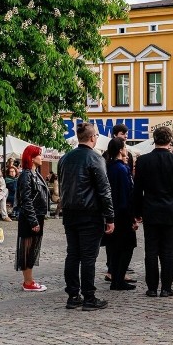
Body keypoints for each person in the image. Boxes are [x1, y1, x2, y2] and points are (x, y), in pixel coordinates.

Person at [59, 122, 114, 311]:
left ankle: (73, 295)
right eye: (97, 136)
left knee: (73, 255)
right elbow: (104, 190)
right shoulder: (95, 158)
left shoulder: (65, 158)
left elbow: (63, 184)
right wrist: (110, 217)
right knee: (88, 257)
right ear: (92, 138)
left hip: (70, 212)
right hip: (90, 214)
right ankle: (89, 296)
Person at [132, 126, 173, 297]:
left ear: (154, 140)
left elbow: (137, 189)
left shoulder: (143, 161)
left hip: (150, 210)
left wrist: (137, 211)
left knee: (151, 251)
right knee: (169, 251)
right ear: (170, 140)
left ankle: (152, 287)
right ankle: (166, 287)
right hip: (171, 211)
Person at [103, 138, 137, 291]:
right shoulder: (121, 169)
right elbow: (127, 195)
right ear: (120, 150)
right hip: (122, 214)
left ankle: (115, 278)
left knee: (115, 248)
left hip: (111, 212)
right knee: (127, 247)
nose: (126, 150)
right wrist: (132, 217)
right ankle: (118, 279)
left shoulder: (108, 167)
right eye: (124, 147)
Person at [16, 145, 50, 292]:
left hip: (37, 215)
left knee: (33, 248)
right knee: (28, 249)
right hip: (31, 217)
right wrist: (33, 220)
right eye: (39, 155)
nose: (41, 157)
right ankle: (28, 282)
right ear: (32, 157)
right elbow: (26, 200)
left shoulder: (35, 174)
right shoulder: (27, 175)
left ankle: (29, 280)